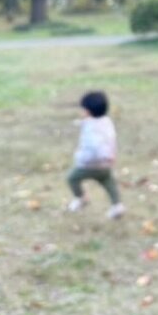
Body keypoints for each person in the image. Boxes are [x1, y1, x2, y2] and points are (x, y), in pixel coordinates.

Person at [66, 91, 125, 219]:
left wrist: (105, 155)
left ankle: (80, 198)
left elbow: (97, 146)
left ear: (88, 112)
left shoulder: (92, 130)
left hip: (89, 164)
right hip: (105, 165)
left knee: (72, 178)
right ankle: (117, 205)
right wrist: (110, 156)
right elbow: (109, 137)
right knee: (108, 182)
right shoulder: (106, 122)